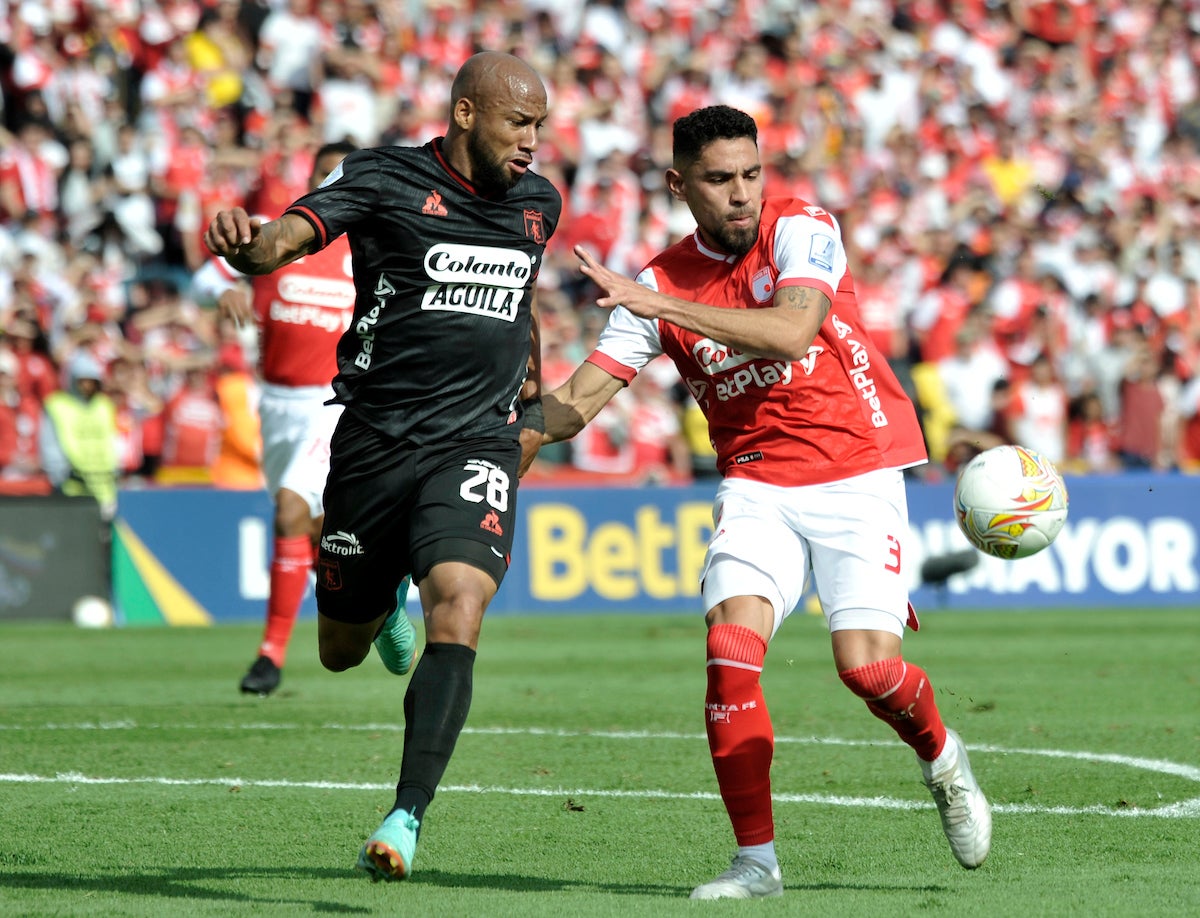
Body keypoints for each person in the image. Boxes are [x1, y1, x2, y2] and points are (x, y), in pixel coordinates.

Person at [530, 105, 991, 900]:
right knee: (729, 650)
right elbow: (576, 405)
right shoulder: (658, 282)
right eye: (719, 180)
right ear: (679, 185)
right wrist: (492, 442)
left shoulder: (801, 228)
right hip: (755, 483)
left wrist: (662, 307)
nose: (741, 193)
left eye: (751, 174)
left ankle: (944, 760)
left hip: (856, 467)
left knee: (869, 670)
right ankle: (757, 862)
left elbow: (791, 331)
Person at [203, 51, 560, 881]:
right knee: (339, 649)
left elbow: (523, 301)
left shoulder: (539, 203)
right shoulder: (382, 177)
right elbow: (286, 238)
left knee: (461, 603)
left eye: (540, 126)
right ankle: (383, 595)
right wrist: (247, 248)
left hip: (475, 441)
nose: (533, 142)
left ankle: (406, 815)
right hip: (374, 441)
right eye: (519, 122)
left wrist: (532, 385)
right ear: (466, 114)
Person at [194, 141, 400, 698]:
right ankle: (377, 605)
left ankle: (269, 657)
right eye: (325, 175)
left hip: (333, 401)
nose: (336, 185)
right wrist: (223, 291)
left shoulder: (371, 246)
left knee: (290, 509)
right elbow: (205, 276)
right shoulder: (280, 234)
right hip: (275, 403)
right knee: (310, 528)